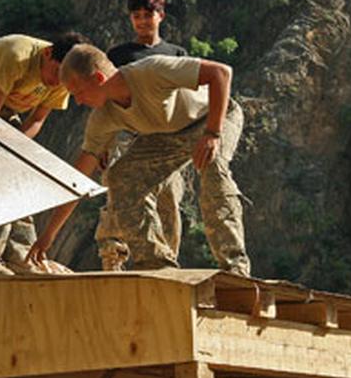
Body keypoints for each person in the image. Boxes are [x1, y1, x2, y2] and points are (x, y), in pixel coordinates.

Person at [25, 44, 251, 276]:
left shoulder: (151, 71)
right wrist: (48, 235)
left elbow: (221, 73)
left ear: (99, 78)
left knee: (213, 167)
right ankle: (155, 263)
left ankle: (235, 266)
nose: (79, 102)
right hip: (167, 136)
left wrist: (212, 133)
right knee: (119, 176)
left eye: (78, 93)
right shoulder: (102, 118)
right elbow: (79, 178)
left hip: (212, 118)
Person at [0, 32, 89, 275]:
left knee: (20, 170)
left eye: (64, 79)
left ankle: (20, 252)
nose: (58, 82)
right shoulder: (16, 55)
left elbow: (36, 120)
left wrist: (17, 148)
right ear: (47, 54)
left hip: (6, 110)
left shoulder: (65, 77)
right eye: (55, 73)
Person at [106, 0, 188, 256]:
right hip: (128, 134)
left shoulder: (177, 54)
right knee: (120, 192)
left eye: (148, 14)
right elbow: (105, 100)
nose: (142, 20)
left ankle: (168, 260)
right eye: (136, 15)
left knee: (170, 200)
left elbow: (186, 98)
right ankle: (114, 255)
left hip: (168, 137)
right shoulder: (118, 56)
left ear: (161, 15)